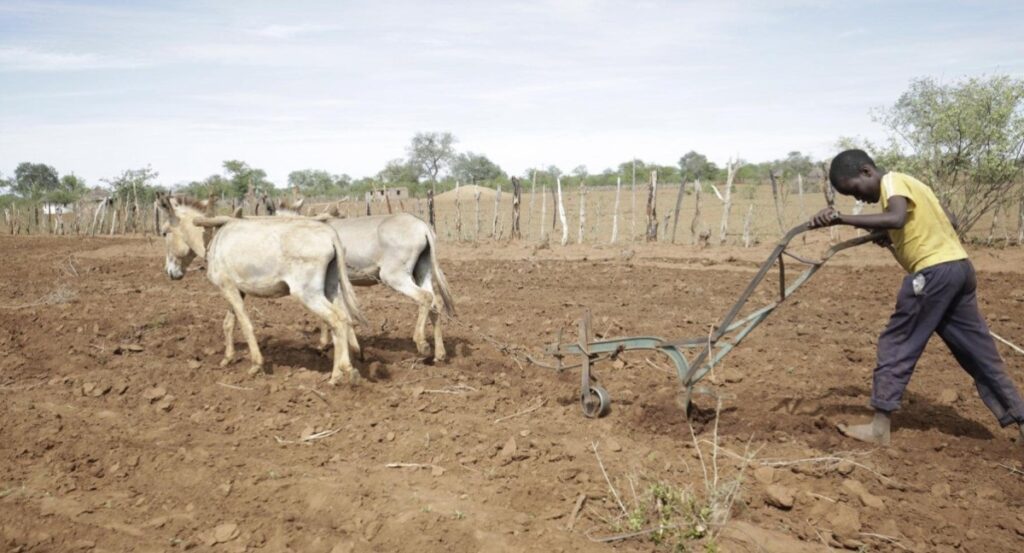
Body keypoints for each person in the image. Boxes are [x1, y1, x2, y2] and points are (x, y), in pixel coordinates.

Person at [809, 149, 1024, 446]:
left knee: (897, 342)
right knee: (978, 352)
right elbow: (949, 220)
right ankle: (1020, 416)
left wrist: (841, 218)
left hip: (933, 274)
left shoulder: (893, 181)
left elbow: (896, 218)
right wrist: (891, 236)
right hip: (959, 269)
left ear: (867, 172)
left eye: (855, 190)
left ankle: (879, 427)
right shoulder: (917, 186)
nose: (859, 199)